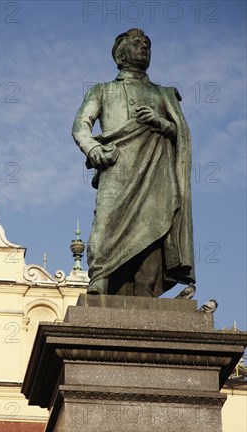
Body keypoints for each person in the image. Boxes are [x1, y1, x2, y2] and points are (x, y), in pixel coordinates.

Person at [72, 28, 195, 297]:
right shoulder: (102, 90)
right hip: (116, 166)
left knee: (154, 225)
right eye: (136, 43)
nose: (143, 47)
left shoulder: (164, 94)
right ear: (120, 54)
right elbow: (80, 125)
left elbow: (181, 135)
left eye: (147, 44)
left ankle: (145, 290)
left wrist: (159, 122)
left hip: (156, 170)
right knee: (105, 222)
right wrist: (92, 148)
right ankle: (100, 278)